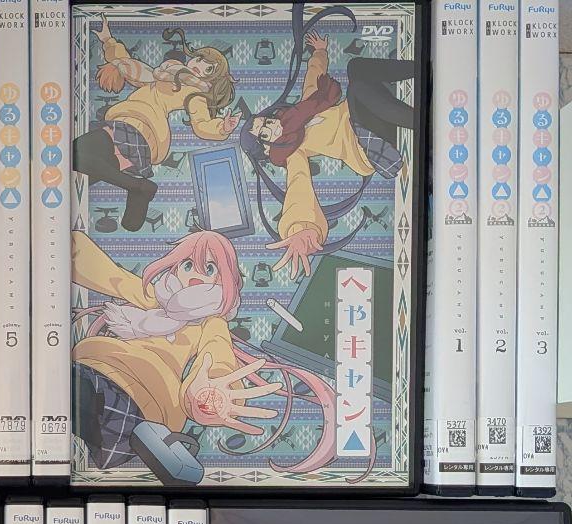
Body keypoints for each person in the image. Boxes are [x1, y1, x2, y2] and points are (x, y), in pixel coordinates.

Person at [72, 229, 339, 481]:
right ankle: (149, 444)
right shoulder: (155, 297)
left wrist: (209, 393)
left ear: (224, 278)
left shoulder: (211, 323)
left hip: (145, 393)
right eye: (188, 265)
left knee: (89, 404)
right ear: (175, 268)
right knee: (83, 407)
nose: (195, 275)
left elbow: (218, 357)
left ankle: (148, 442)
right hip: (100, 368)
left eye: (209, 268)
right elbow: (110, 276)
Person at [239, 7, 416, 279]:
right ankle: (420, 121)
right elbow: (298, 187)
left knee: (356, 67)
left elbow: (313, 78)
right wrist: (301, 229)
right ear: (265, 148)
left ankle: (422, 68)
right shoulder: (292, 153)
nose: (269, 126)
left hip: (367, 113)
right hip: (363, 144)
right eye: (263, 134)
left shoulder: (298, 112)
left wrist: (319, 52)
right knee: (357, 89)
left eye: (264, 122)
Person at [73, 17, 237, 230]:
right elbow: (131, 66)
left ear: (213, 79)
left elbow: (201, 123)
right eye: (199, 60)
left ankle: (137, 186)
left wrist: (221, 128)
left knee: (75, 153)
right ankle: (137, 195)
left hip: (136, 126)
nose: (199, 68)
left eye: (208, 70)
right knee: (78, 176)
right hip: (137, 133)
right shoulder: (162, 75)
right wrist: (108, 41)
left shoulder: (195, 93)